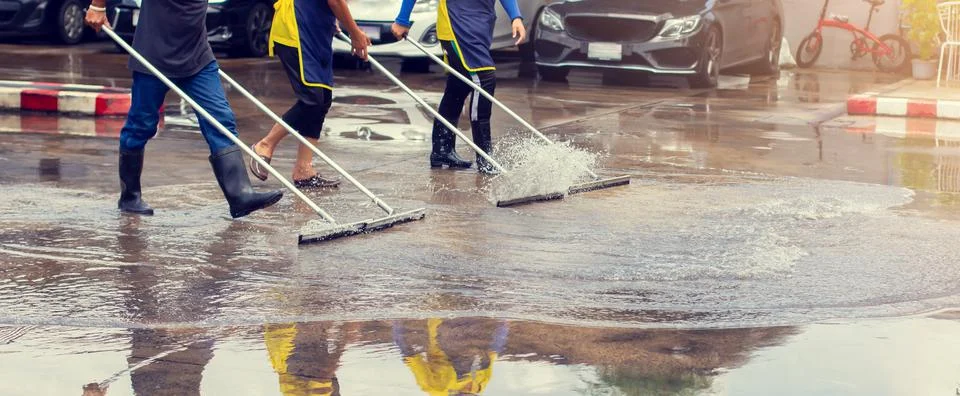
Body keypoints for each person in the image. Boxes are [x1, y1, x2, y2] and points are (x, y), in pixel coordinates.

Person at [84, 0, 282, 219]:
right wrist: (98, 6)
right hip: (154, 54)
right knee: (141, 126)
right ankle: (130, 197)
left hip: (197, 57)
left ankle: (240, 196)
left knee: (220, 120)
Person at [247, 0, 371, 189]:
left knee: (322, 100)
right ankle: (265, 144)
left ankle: (304, 169)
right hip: (297, 30)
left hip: (317, 31)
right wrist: (355, 33)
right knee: (312, 99)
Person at [391, 0, 525, 174]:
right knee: (484, 80)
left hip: (480, 26)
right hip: (457, 26)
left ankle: (442, 151)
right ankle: (485, 159)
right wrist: (402, 19)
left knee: (458, 86)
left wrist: (516, 17)